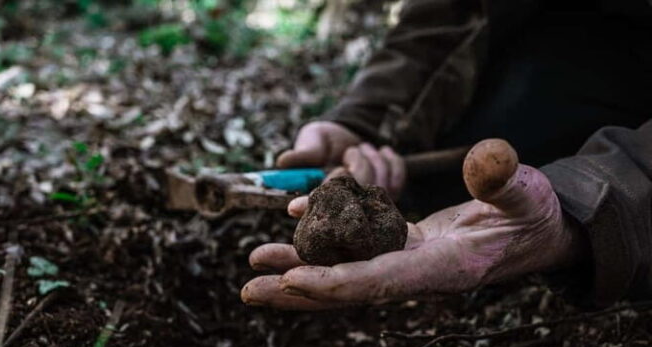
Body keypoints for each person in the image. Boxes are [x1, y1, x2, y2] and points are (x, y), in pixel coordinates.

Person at [240, 0, 652, 310]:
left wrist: (591, 209)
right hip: (577, 35)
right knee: (455, 172)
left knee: (595, 219)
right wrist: (365, 119)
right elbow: (451, 12)